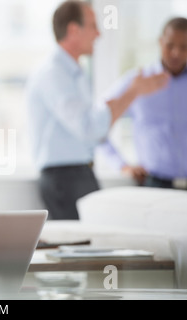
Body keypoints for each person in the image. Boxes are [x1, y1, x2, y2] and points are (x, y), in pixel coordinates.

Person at [25, 0, 170, 220]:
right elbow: (89, 128)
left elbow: (95, 133)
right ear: (74, 30)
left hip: (79, 173)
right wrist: (132, 92)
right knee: (81, 247)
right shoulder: (55, 74)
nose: (99, 34)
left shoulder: (75, 74)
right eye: (93, 26)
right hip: (65, 177)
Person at [99, 17, 187, 190]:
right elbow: (97, 124)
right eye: (170, 46)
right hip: (155, 184)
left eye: (184, 47)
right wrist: (121, 165)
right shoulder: (137, 82)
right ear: (160, 42)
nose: (176, 53)